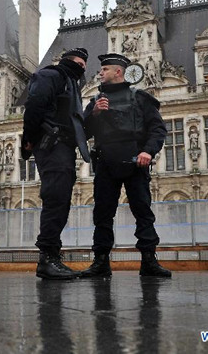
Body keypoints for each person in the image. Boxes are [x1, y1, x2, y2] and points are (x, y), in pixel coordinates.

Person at [81, 53, 171, 278]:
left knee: (143, 212)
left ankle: (149, 261)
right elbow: (83, 132)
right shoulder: (95, 102)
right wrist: (94, 114)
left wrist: (147, 151)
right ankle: (101, 261)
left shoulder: (140, 98)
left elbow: (158, 129)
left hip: (135, 163)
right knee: (102, 214)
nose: (100, 73)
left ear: (117, 72)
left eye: (104, 70)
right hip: (106, 164)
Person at [22, 47, 91, 280]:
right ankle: (47, 259)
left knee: (61, 201)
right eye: (80, 64)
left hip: (64, 147)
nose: (82, 68)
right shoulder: (51, 75)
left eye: (84, 66)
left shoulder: (71, 84)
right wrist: (29, 139)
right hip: (51, 144)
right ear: (68, 62)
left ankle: (53, 255)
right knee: (55, 199)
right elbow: (33, 106)